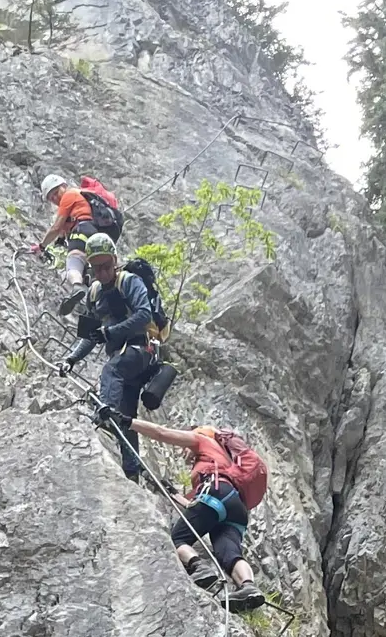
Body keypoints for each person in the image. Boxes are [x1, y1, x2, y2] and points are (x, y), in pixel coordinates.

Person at [131, 419, 266, 611]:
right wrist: (175, 495)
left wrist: (128, 421)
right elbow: (200, 509)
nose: (183, 452)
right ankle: (248, 587)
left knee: (178, 538)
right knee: (230, 554)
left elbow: (160, 432)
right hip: (236, 508)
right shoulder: (225, 462)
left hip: (217, 494)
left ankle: (198, 567)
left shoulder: (203, 440)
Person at [63, 238, 162, 478]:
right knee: (126, 417)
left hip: (142, 350)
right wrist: (72, 359)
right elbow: (90, 335)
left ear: (115, 260)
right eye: (97, 268)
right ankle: (132, 470)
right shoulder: (94, 293)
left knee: (111, 371)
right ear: (90, 268)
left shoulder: (130, 282)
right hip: (124, 357)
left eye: (106, 265)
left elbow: (143, 315)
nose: (103, 272)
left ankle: (104, 415)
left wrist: (110, 332)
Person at [35, 172, 118, 307]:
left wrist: (41, 246)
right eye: (51, 198)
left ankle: (77, 286)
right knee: (91, 267)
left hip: (82, 230)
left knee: (74, 260)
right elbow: (62, 232)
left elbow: (56, 228)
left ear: (64, 186)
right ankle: (92, 292)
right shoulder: (79, 200)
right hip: (93, 233)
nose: (55, 198)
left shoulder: (69, 195)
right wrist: (60, 240)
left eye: (56, 192)